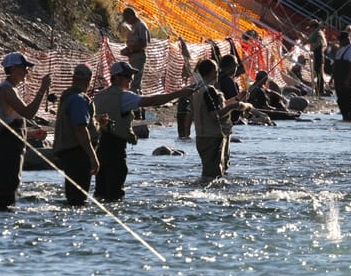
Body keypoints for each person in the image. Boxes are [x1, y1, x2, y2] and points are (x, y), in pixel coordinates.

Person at [93, 61, 193, 201]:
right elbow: (152, 101)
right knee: (115, 193)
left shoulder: (98, 96)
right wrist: (179, 93)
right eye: (127, 76)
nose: (131, 79)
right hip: (116, 147)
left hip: (99, 147)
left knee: (100, 190)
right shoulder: (125, 96)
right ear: (115, 78)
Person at [0, 51, 51, 212]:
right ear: (14, 69)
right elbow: (28, 113)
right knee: (8, 188)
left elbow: (10, 122)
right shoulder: (6, 90)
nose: (26, 72)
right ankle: (2, 219)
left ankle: (4, 217)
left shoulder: (11, 89)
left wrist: (30, 134)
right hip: (6, 146)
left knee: (11, 186)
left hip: (10, 143)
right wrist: (42, 89)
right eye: (24, 68)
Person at [191, 59, 252, 181]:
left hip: (201, 136)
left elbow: (215, 107)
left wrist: (236, 98)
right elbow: (214, 115)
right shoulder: (210, 90)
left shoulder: (198, 89)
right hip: (212, 137)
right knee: (212, 176)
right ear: (211, 72)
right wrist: (234, 106)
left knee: (210, 172)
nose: (218, 72)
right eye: (215, 70)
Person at [53, 64, 102, 206]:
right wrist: (93, 157)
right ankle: (77, 225)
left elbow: (76, 123)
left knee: (73, 197)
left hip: (68, 152)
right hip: (78, 153)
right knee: (78, 200)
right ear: (89, 80)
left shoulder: (68, 96)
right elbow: (80, 129)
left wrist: (97, 123)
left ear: (73, 79)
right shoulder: (79, 100)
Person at [120, 7, 151, 94]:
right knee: (134, 81)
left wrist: (131, 50)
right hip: (134, 56)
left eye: (127, 18)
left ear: (132, 16)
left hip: (138, 56)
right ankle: (138, 102)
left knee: (134, 82)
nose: (127, 21)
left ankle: (135, 103)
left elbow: (144, 44)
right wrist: (127, 50)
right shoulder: (134, 26)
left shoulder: (140, 25)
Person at [332, 30, 351, 122]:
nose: (340, 42)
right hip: (338, 78)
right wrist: (332, 78)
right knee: (340, 99)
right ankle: (345, 117)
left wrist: (348, 79)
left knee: (349, 98)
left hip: (347, 78)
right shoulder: (340, 51)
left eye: (341, 40)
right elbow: (336, 67)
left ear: (347, 39)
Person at [303, 20, 326, 95]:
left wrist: (302, 38)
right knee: (319, 72)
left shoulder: (316, 32)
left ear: (313, 27)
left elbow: (307, 41)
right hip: (321, 53)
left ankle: (319, 90)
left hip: (317, 53)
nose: (310, 30)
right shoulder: (320, 32)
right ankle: (320, 90)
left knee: (317, 71)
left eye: (310, 28)